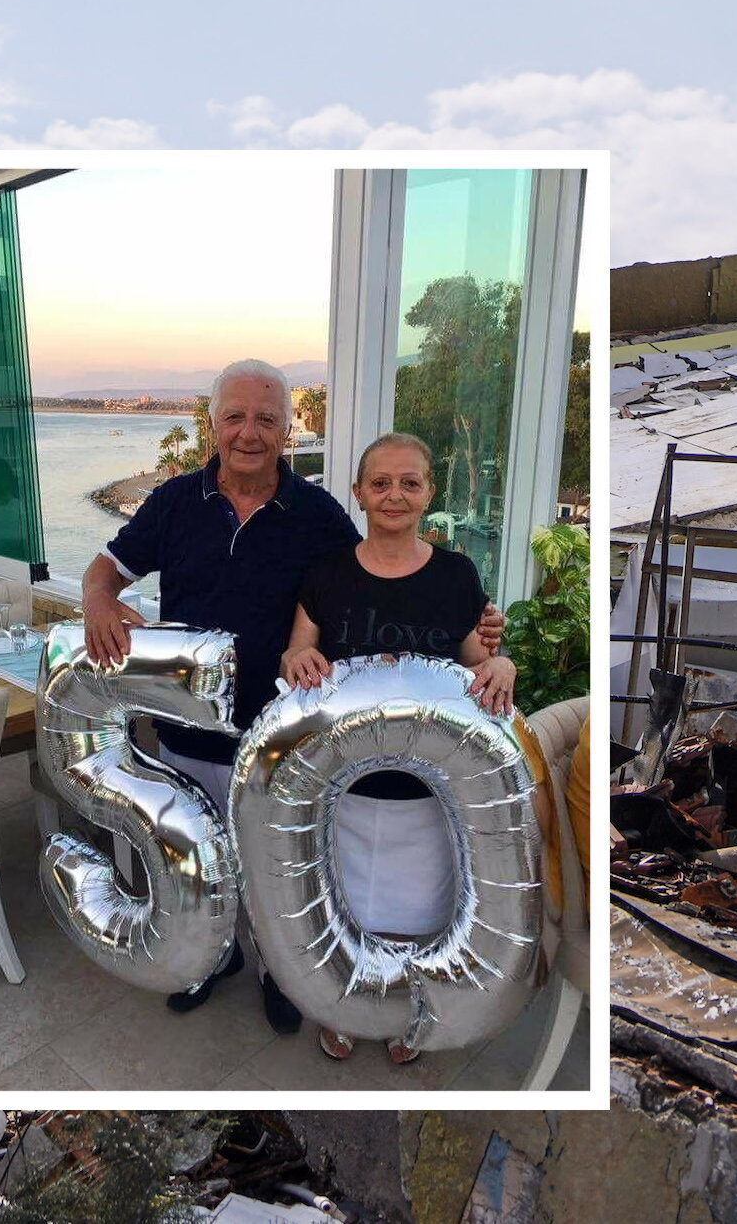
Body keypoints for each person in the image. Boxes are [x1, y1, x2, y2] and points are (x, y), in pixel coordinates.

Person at [79, 359, 502, 1034]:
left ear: (286, 431)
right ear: (213, 424)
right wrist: (97, 597)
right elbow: (110, 566)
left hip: (282, 741)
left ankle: (280, 971)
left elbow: (371, 580)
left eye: (267, 420)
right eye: (236, 417)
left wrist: (467, 627)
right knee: (200, 865)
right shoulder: (172, 503)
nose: (250, 433)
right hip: (187, 730)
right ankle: (208, 961)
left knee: (278, 873)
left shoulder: (316, 513)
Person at [278, 431, 516, 1064]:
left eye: (410, 483)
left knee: (423, 912)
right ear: (357, 493)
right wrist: (299, 656)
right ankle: (346, 1010)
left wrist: (505, 666)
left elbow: (478, 662)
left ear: (429, 494)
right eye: (380, 483)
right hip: (346, 789)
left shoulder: (456, 573)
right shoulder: (326, 573)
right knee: (347, 907)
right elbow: (296, 650)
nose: (394, 495)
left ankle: (413, 1014)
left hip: (429, 795)